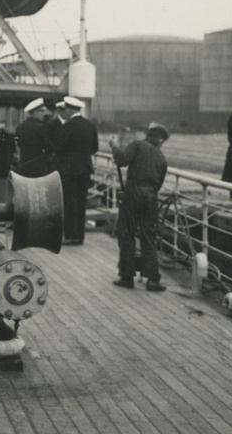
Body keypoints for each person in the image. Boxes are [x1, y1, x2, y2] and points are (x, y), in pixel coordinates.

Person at [109, 123, 170, 291]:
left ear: (147, 135)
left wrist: (114, 146)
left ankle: (127, 277)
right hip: (151, 197)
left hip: (133, 193)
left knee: (127, 232)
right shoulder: (162, 158)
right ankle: (152, 280)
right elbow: (159, 183)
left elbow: (121, 160)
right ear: (161, 141)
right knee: (149, 236)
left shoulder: (137, 145)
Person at [56, 96, 98, 245]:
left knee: (70, 203)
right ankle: (80, 236)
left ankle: (71, 236)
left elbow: (59, 147)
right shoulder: (90, 126)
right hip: (85, 170)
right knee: (81, 203)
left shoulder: (68, 126)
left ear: (69, 109)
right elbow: (95, 148)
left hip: (69, 170)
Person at [13, 98, 53, 177]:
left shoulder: (20, 127)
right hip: (38, 167)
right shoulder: (41, 127)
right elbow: (49, 148)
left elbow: (17, 143)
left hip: (23, 165)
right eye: (42, 111)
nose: (43, 114)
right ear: (34, 112)